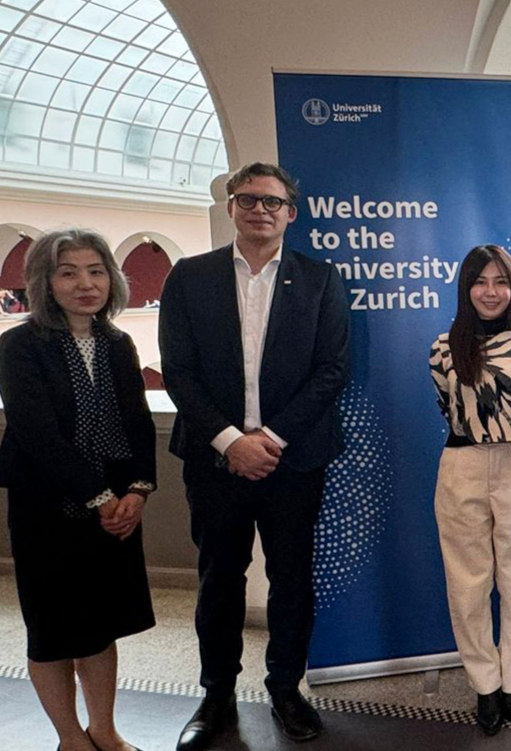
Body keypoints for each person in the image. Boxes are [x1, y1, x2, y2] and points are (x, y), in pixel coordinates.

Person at [160, 162, 351, 749]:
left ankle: (285, 690)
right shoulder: (189, 277)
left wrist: (268, 440)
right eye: (248, 199)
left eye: (272, 202)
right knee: (220, 579)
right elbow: (179, 372)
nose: (259, 210)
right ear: (231, 208)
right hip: (215, 460)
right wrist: (230, 441)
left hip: (292, 461)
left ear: (291, 213)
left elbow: (331, 371)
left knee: (292, 579)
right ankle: (216, 695)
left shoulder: (321, 279)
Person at [0, 229, 156, 751]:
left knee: (99, 625)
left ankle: (104, 731)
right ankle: (71, 738)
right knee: (52, 631)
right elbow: (37, 433)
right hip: (47, 508)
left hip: (117, 508)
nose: (85, 283)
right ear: (45, 282)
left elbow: (135, 421)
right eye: (68, 272)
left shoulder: (118, 342)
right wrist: (99, 497)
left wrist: (136, 491)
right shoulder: (19, 346)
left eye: (95, 271)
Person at [429, 245, 511, 735]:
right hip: (461, 464)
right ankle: (484, 685)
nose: (491, 291)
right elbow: (448, 407)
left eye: (501, 281)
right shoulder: (443, 347)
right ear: (466, 287)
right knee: (467, 585)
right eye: (480, 281)